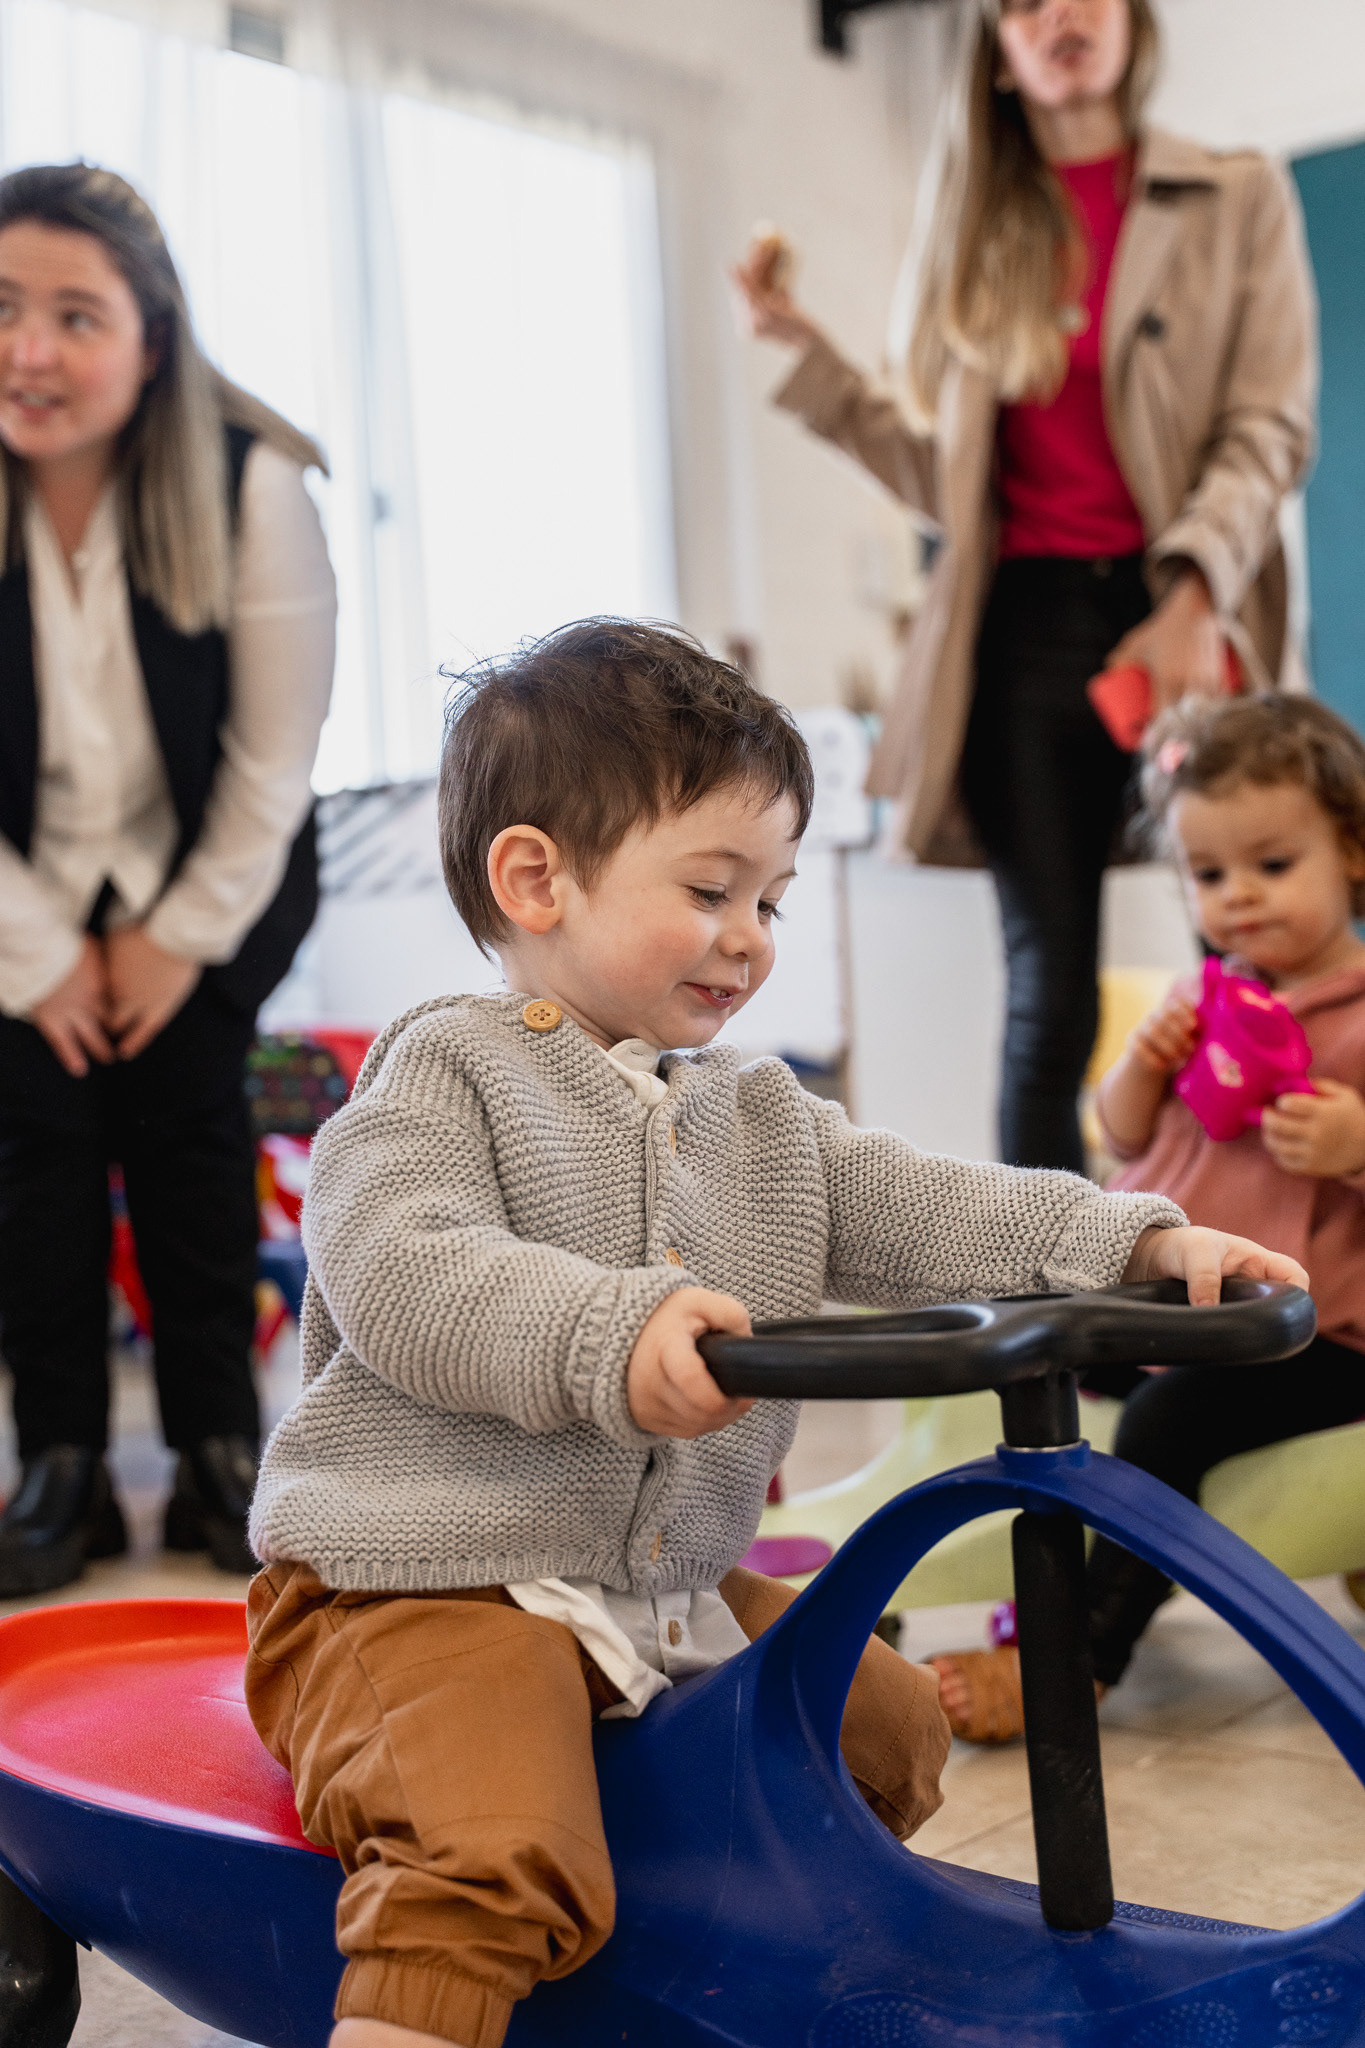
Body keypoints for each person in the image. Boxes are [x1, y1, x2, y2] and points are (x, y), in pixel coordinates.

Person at [242, 618, 1304, 2048]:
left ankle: (722, 1952)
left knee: (887, 1728)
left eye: (774, 900)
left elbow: (928, 1205)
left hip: (654, 1584)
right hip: (425, 1585)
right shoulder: (439, 1080)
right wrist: (611, 1340)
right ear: (536, 876)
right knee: (485, 1850)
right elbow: (407, 1278)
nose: (750, 937)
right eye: (712, 888)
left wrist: (1138, 1238)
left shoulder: (756, 1115)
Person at [732, 0, 1317, 1174]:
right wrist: (811, 355)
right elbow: (949, 480)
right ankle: (1060, 1331)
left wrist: (1195, 594)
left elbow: (1269, 425)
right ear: (995, 47)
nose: (1062, 16)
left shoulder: (1240, 193)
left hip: (1185, 608)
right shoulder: (971, 235)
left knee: (1264, 959)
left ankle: (1273, 1274)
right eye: (1026, 3)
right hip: (1023, 631)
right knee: (1049, 994)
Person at [0, 165, 336, 1592]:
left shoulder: (255, 487)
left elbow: (274, 759)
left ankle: (221, 1452)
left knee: (196, 1139)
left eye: (76, 317)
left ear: (150, 339)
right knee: (35, 1159)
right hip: (21, 901)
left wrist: (178, 939)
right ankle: (60, 1467)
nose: (30, 350)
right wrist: (37, 957)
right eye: (4, 309)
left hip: (217, 885)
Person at [932, 693, 1365, 1743]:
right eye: (1210, 875)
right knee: (1028, 1342)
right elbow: (1124, 1136)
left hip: (1316, 1329)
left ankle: (1076, 1658)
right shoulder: (1204, 996)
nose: (1240, 898)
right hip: (1177, 1300)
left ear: (1350, 849)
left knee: (1175, 1418)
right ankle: (1027, 1576)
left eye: (1272, 863)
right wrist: (1144, 1060)